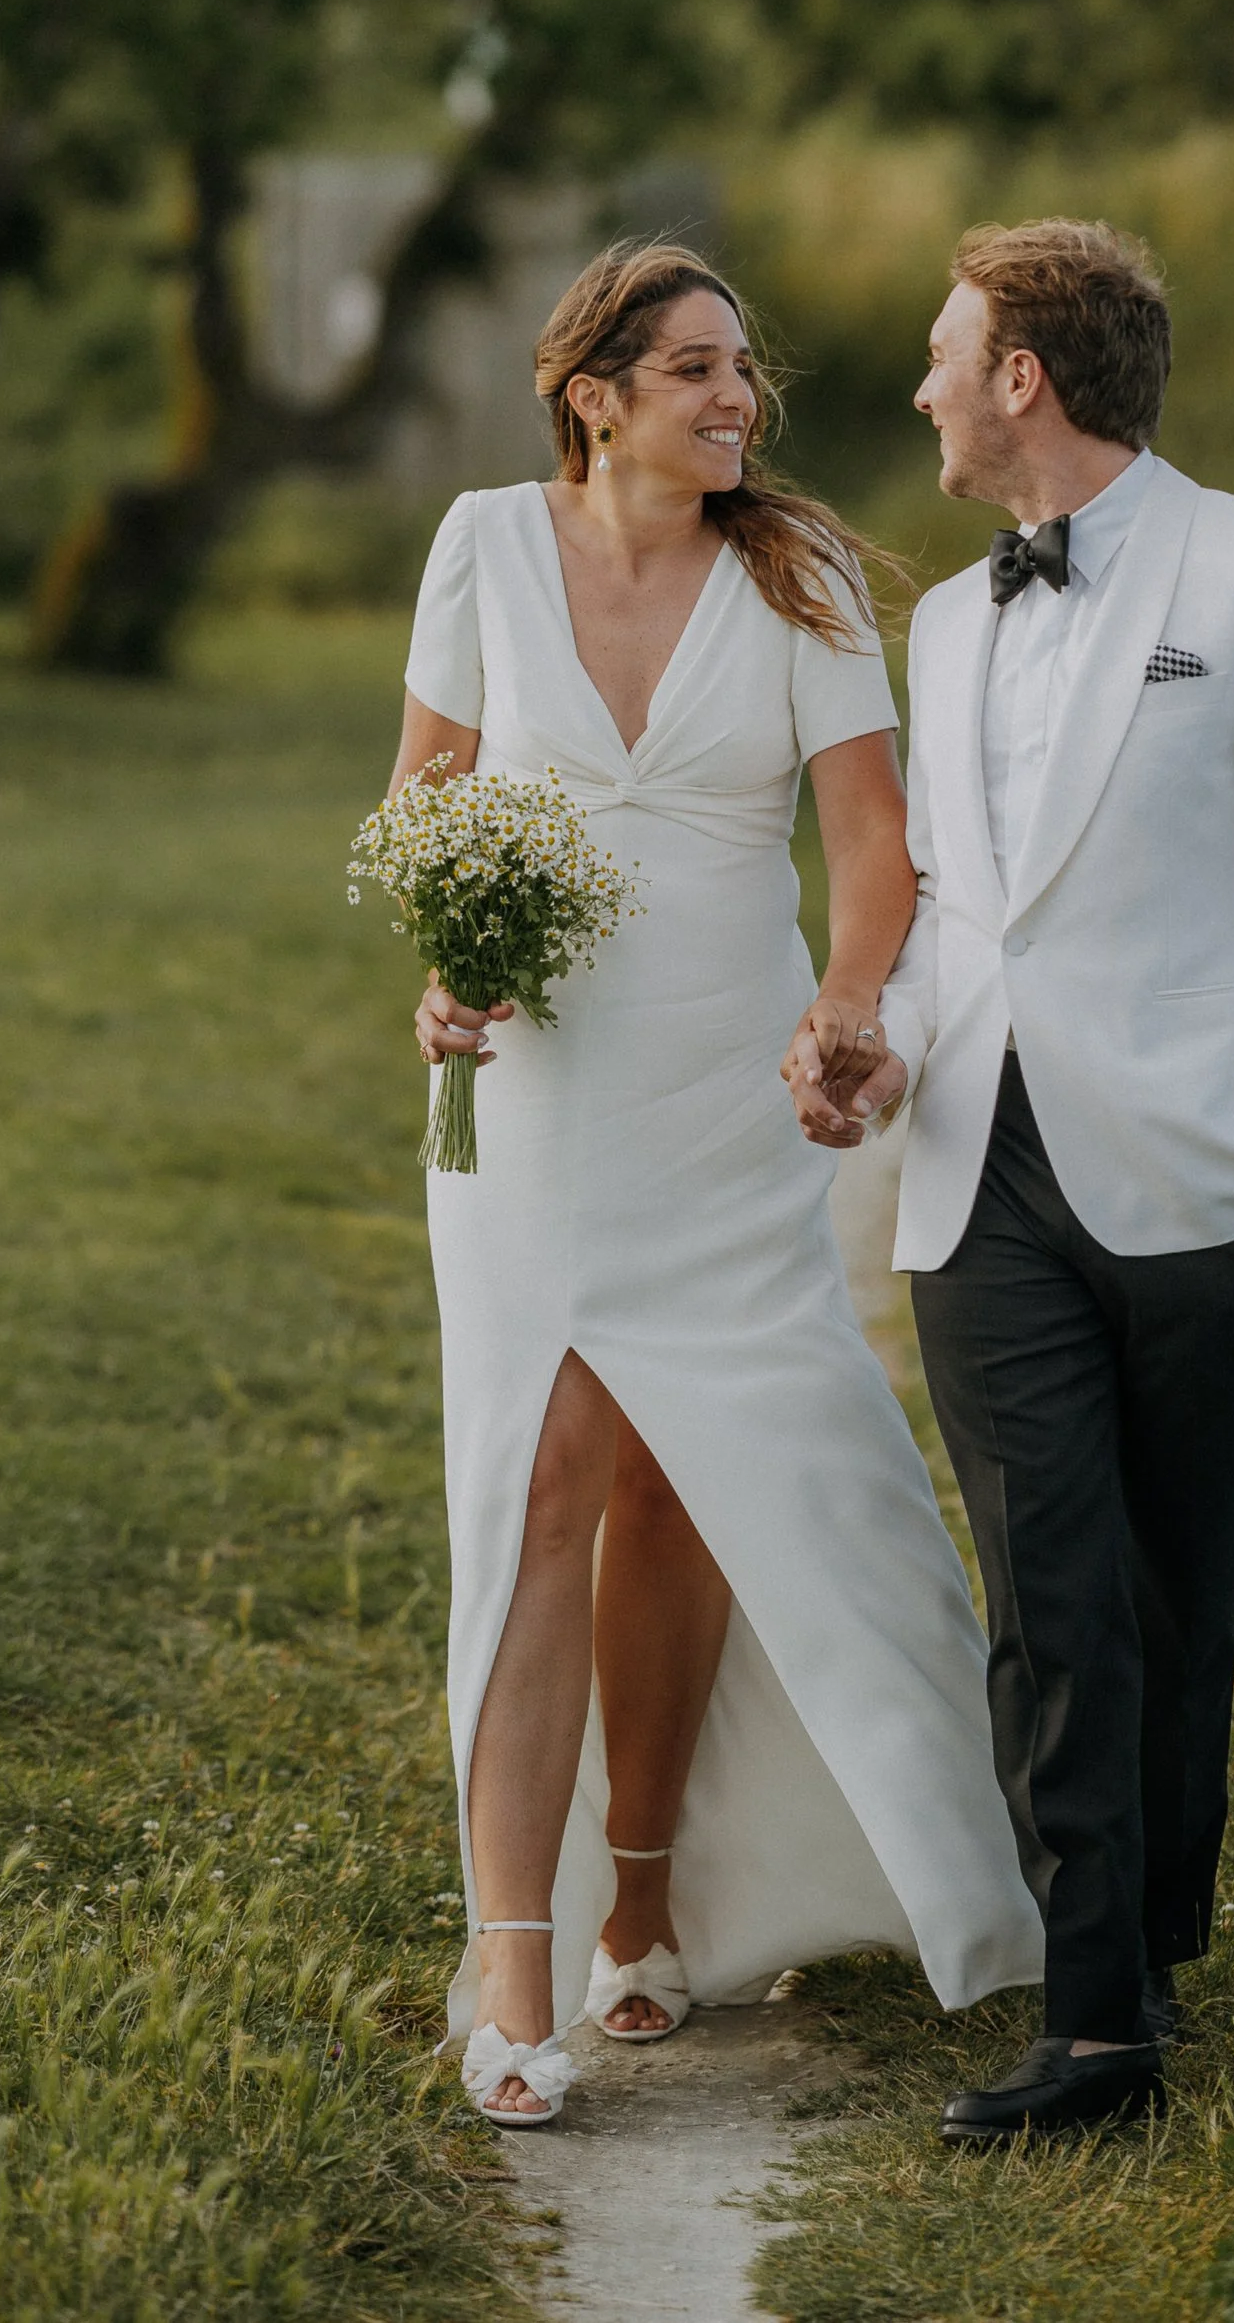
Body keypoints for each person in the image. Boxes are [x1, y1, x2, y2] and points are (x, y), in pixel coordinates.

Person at [396, 239, 1040, 2129]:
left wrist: (848, 1005)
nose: (734, 398)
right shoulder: (481, 548)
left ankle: (651, 1897)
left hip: (724, 1087)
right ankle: (515, 1956)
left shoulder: (807, 570)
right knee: (537, 1480)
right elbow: (427, 801)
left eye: (741, 370)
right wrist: (446, 957)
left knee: (695, 1475)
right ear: (595, 395)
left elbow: (874, 844)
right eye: (692, 370)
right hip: (530, 1092)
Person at [789, 217, 1234, 2140]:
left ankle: (1150, 1932)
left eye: (943, 353)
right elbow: (968, 905)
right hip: (984, 1176)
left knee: (1166, 1588)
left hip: (1211, 1175)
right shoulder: (948, 620)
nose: (921, 389)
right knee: (1046, 1594)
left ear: (1023, 378)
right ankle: (1099, 2020)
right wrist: (880, 1032)